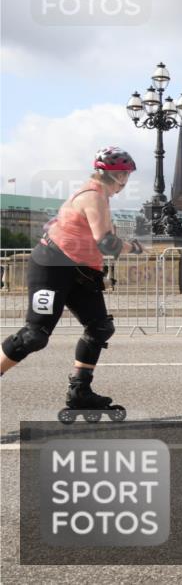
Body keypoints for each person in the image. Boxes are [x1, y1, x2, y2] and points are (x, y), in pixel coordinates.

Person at [1, 147, 144, 416]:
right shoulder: (93, 195)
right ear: (116, 176)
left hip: (79, 270)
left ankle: (80, 391)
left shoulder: (100, 195)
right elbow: (107, 242)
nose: (126, 180)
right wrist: (133, 247)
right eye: (124, 174)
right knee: (34, 336)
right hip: (52, 265)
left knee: (100, 327)